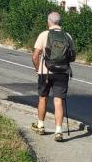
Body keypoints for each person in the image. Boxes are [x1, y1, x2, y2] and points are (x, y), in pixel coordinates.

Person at [31, 11, 76, 142]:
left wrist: (37, 69)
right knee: (58, 101)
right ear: (59, 22)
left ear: (49, 21)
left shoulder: (44, 35)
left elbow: (35, 56)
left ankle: (40, 125)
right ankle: (58, 131)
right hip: (62, 72)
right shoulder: (67, 36)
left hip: (45, 72)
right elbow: (72, 57)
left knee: (43, 98)